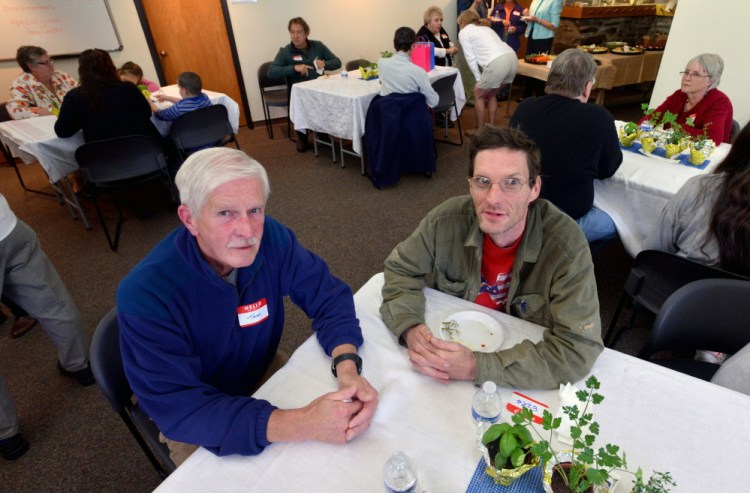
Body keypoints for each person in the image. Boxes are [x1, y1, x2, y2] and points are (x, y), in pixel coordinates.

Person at [117, 148, 378, 465]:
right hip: (197, 414)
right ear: (190, 219)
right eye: (225, 213)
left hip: (260, 370)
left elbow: (328, 295)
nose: (247, 231)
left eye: (255, 210)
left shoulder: (272, 238)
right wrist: (304, 422)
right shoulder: (145, 295)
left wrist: (347, 366)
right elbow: (183, 411)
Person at [379, 126, 603, 389]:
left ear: (534, 188)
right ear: (470, 184)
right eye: (483, 181)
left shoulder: (566, 246)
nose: (493, 199)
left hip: (516, 371)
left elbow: (578, 349)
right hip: (443, 360)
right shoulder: (445, 221)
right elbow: (401, 270)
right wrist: (410, 326)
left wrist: (477, 367)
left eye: (511, 183)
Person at [0, 193, 94, 461]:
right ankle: (81, 365)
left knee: (52, 304)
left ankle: (7, 433)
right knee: (52, 303)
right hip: (6, 226)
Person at [510, 49, 622, 246]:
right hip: (567, 218)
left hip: (519, 209)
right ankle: (569, 260)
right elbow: (608, 170)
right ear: (587, 87)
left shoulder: (525, 107)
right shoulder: (599, 117)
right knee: (618, 224)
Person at [644, 120, 750, 276]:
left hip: (674, 290)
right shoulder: (677, 99)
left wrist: (677, 126)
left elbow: (653, 250)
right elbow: (650, 120)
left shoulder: (702, 188)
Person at [54, 49, 161, 143]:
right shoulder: (128, 88)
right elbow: (146, 113)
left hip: (104, 159)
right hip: (144, 149)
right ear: (111, 67)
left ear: (82, 71)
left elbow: (62, 131)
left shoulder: (75, 96)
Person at [268, 17, 341, 153]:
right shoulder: (285, 52)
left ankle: (322, 131)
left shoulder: (318, 46)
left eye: (299, 32)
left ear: (307, 33)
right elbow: (271, 72)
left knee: (328, 103)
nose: (295, 36)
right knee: (302, 145)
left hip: (319, 89)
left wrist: (325, 64)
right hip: (300, 93)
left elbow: (337, 62)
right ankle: (302, 135)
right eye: (292, 32)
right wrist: (294, 68)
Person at [638, 53, 733, 144]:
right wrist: (645, 124)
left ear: (711, 80)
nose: (687, 78)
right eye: (686, 72)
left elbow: (713, 137)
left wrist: (676, 130)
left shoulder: (720, 102)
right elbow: (653, 117)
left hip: (707, 156)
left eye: (696, 74)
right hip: (673, 150)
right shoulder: (679, 95)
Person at [458, 10, 517, 134]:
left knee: (478, 94)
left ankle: (480, 131)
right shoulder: (486, 29)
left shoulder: (464, 32)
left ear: (462, 22)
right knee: (491, 94)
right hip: (512, 58)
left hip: (498, 62)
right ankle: (491, 127)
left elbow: (470, 59)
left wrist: (478, 80)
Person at [7, 46, 77, 120]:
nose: (51, 65)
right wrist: (54, 111)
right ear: (31, 66)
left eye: (50, 60)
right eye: (45, 63)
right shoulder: (21, 84)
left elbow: (83, 94)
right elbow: (16, 112)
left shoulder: (61, 76)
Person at [377, 27, 439, 108]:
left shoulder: (381, 63)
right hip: (411, 117)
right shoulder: (418, 71)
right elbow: (434, 102)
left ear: (394, 44)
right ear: (413, 45)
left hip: (388, 116)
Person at [521, 0, 562, 98]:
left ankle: (540, 97)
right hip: (531, 35)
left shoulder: (555, 1)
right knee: (529, 65)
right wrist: (527, 15)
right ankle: (527, 96)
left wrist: (537, 20)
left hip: (544, 38)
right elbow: (532, 19)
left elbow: (554, 25)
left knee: (540, 67)